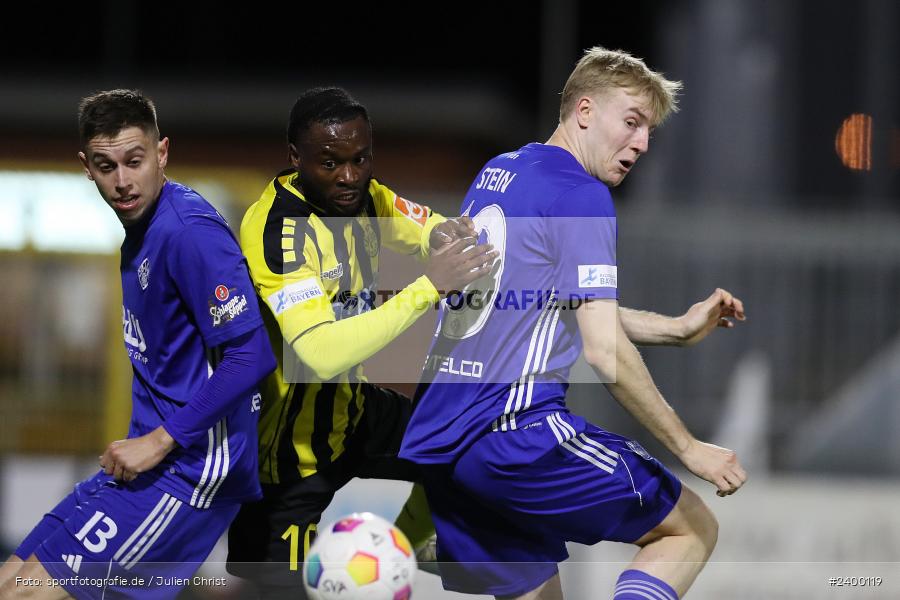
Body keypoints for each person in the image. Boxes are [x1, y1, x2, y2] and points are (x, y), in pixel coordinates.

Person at [399, 47, 748, 600]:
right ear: (584, 111)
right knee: (690, 528)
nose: (641, 143)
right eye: (631, 122)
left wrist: (676, 329)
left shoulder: (501, 171)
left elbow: (539, 302)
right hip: (516, 436)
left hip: (446, 446)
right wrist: (689, 448)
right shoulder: (581, 195)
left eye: (649, 131)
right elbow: (602, 348)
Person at [0, 89, 276, 599]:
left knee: (26, 593)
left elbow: (251, 354)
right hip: (145, 467)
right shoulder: (141, 231)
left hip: (191, 471)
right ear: (86, 167)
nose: (123, 181)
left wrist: (159, 440)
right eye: (107, 166)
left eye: (135, 160)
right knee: (9, 580)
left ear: (162, 153)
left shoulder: (189, 232)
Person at [225, 87, 495, 599]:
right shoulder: (278, 231)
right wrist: (428, 287)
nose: (349, 176)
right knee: (275, 591)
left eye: (360, 159)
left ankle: (413, 544)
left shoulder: (366, 196)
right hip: (285, 457)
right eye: (330, 163)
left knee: (468, 435)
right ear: (295, 158)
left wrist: (450, 238)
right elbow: (321, 354)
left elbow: (425, 228)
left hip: (352, 413)